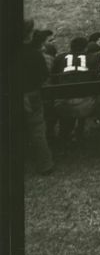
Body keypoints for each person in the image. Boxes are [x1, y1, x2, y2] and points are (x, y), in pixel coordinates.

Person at [22, 19, 54, 175]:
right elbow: (43, 75)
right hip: (32, 94)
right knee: (36, 129)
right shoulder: (34, 54)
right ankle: (45, 165)